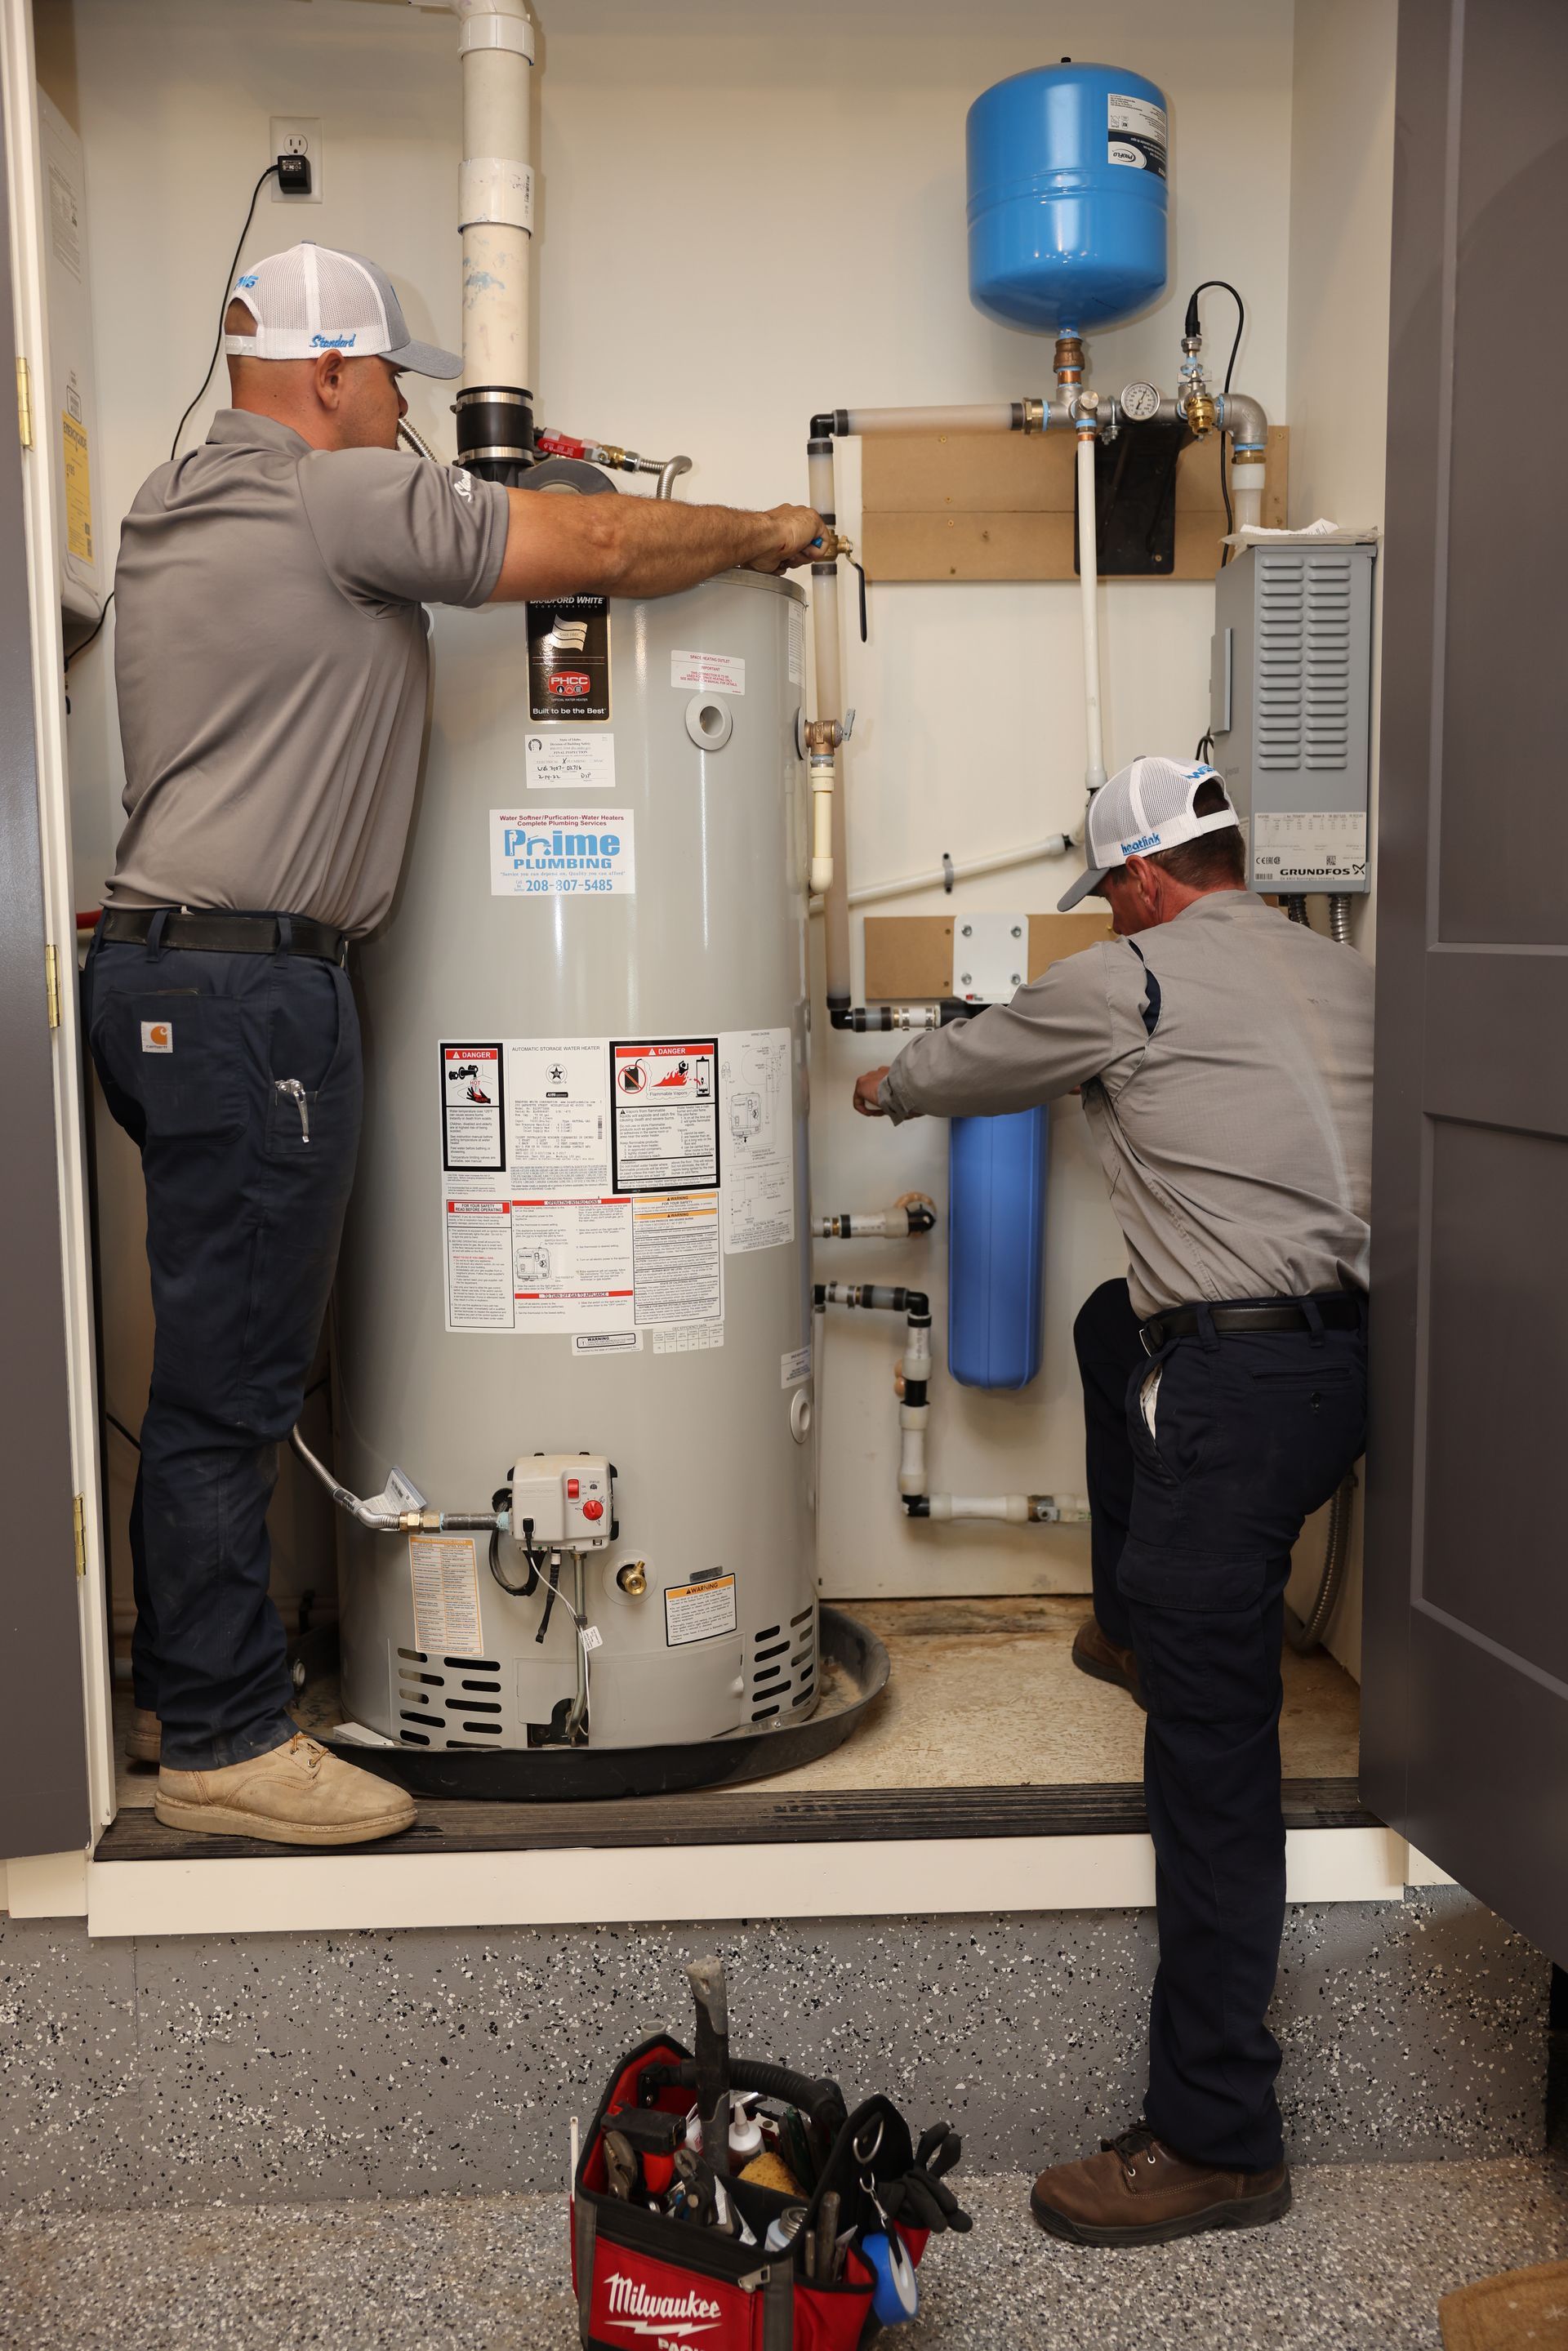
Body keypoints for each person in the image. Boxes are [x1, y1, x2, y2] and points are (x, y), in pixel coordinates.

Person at [85, 241, 822, 1848]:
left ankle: (193, 1687)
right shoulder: (326, 498)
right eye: (392, 384)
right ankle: (220, 1743)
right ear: (330, 372)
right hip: (253, 992)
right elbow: (604, 538)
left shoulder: (172, 507)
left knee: (227, 1360)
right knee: (236, 1382)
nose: (404, 412)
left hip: (171, 980)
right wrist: (769, 532)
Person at [853, 755, 1372, 2245]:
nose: (1109, 916)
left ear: (1143, 879)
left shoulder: (1135, 979)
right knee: (1104, 1322)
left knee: (1214, 1764)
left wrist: (895, 1079)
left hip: (1239, 1394)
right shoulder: (1347, 975)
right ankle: (1138, 1622)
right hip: (1358, 1370)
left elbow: (967, 1064)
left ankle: (1218, 2136)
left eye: (1109, 895)